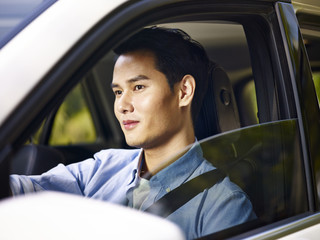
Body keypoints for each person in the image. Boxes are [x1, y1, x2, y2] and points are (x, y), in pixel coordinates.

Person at [10, 27, 256, 239]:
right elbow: (20, 191)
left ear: (183, 92)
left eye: (138, 87)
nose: (122, 105)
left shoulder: (223, 205)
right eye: (118, 92)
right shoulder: (103, 168)